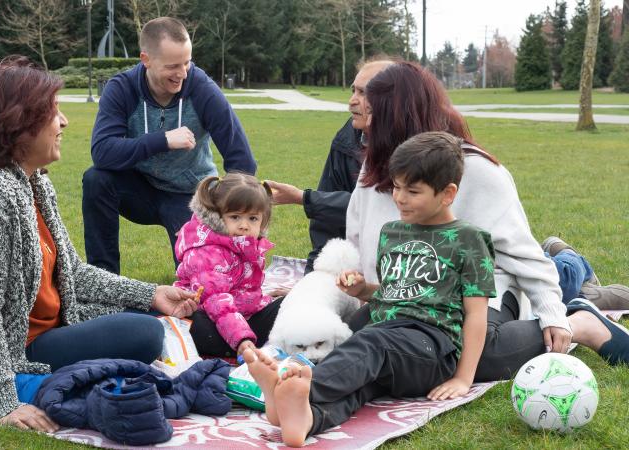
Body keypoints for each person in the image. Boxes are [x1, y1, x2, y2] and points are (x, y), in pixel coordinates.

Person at [246, 61, 629, 447]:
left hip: (478, 292)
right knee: (366, 354)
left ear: (397, 111)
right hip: (403, 299)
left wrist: (553, 315)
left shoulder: (473, 171)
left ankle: (582, 321)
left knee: (462, 355)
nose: (353, 104)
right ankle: (306, 411)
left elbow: (524, 259)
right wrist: (338, 297)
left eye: (366, 97)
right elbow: (365, 258)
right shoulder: (374, 171)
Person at [0, 56, 199, 432]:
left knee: (157, 322)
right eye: (53, 113)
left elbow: (73, 273)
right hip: (14, 346)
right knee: (146, 334)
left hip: (46, 325)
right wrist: (2, 401)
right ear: (17, 124)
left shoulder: (31, 182)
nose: (64, 122)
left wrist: (150, 294)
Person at [243, 130, 497, 446]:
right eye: (397, 187)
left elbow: (476, 314)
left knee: (371, 343)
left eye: (413, 191)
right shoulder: (393, 232)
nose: (400, 198)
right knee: (364, 381)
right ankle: (305, 417)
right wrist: (364, 290)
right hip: (391, 335)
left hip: (433, 345)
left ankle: (299, 387)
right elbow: (394, 293)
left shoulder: (469, 240)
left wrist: (463, 377)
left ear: (446, 193)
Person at [82, 17, 257, 274]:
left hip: (189, 195)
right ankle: (103, 278)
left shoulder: (202, 89)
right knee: (96, 179)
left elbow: (242, 160)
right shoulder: (122, 89)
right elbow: (102, 152)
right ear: (146, 60)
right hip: (139, 190)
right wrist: (162, 140)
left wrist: (227, 209)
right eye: (173, 66)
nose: (183, 74)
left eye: (187, 63)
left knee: (199, 280)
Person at [266, 58, 393, 273]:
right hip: (350, 268)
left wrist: (303, 198)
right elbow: (326, 226)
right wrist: (313, 276)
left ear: (391, 99)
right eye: (354, 91)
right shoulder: (349, 137)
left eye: (364, 93)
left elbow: (379, 206)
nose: (352, 101)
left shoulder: (415, 147)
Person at [174, 173, 278, 356]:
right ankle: (239, 346)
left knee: (289, 305)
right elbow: (216, 301)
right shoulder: (205, 253)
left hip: (242, 314)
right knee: (197, 326)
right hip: (209, 316)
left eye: (253, 218)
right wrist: (242, 339)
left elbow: (247, 290)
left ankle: (249, 340)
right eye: (235, 217)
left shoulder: (245, 245)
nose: (244, 225)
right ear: (217, 216)